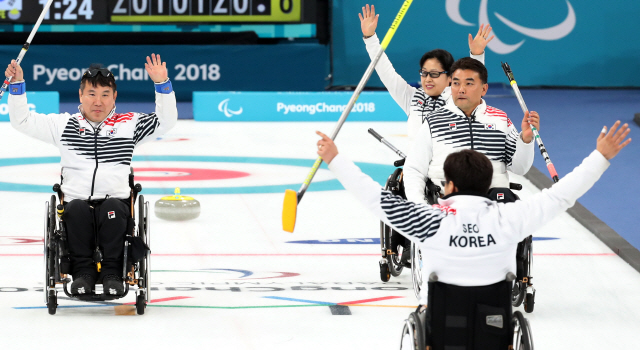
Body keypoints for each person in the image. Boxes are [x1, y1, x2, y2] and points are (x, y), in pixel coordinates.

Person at [315, 120, 630, 305]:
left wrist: (335, 159)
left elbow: (373, 197)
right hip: (495, 319)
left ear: (448, 185)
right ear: (487, 184)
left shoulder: (427, 220)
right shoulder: (510, 218)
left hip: (440, 319)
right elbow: (562, 195)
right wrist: (600, 157)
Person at [5, 54, 177, 296]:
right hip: (77, 204)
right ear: (80, 96)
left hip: (116, 205)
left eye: (105, 94)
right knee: (75, 210)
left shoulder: (130, 125)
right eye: (92, 94)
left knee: (114, 209)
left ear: (114, 97)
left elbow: (167, 121)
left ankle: (112, 274)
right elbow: (22, 120)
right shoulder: (64, 125)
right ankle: (83, 273)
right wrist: (17, 86)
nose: (98, 102)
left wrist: (163, 84)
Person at [403, 57, 540, 205]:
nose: (461, 89)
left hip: (493, 204)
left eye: (469, 83)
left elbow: (520, 168)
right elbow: (414, 170)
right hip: (447, 203)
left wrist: (525, 141)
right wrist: (420, 206)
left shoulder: (500, 120)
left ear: (484, 89)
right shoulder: (433, 121)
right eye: (456, 83)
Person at [359, 4, 495, 143]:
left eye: (434, 74)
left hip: (450, 163)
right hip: (417, 164)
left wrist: (477, 55)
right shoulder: (411, 98)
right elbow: (386, 72)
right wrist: (370, 38)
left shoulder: (459, 99)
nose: (428, 79)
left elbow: (473, 81)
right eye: (424, 73)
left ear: (450, 77)